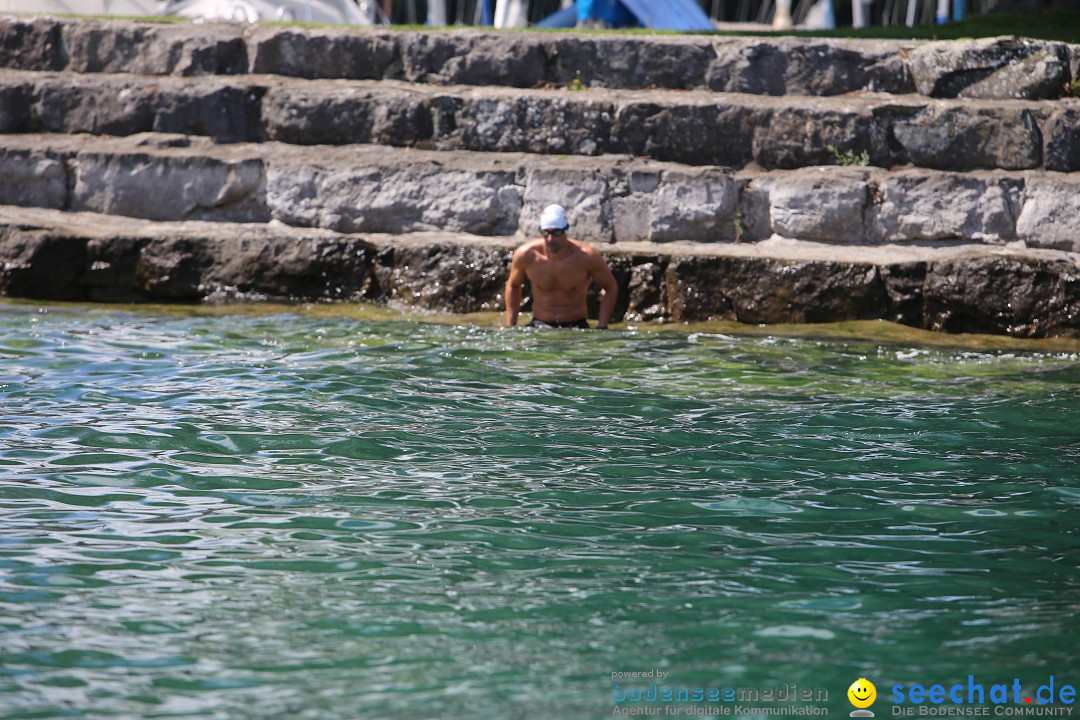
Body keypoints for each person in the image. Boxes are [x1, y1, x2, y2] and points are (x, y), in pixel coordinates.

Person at [505, 204, 618, 329]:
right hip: (539, 325)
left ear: (566, 229)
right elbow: (513, 285)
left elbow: (610, 288)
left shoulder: (586, 257)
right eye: (545, 232)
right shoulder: (526, 255)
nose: (550, 238)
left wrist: (602, 326)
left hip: (576, 326)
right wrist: (511, 326)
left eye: (556, 232)